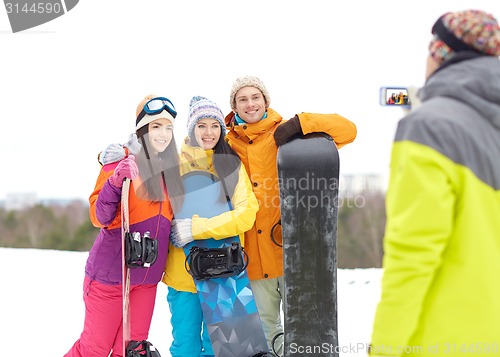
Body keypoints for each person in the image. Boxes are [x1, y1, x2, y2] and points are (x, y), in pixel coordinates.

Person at [370, 9, 500, 356]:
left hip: (442, 339)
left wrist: (384, 348)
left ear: (439, 55)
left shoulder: (428, 127)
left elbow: (412, 256)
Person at [225, 75, 357, 354]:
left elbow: (348, 130)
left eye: (255, 97)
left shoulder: (289, 134)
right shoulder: (228, 144)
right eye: (242, 99)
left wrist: (301, 123)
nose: (250, 104)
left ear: (265, 100)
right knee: (264, 331)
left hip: (292, 257)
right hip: (252, 257)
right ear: (234, 107)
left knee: (304, 332)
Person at [65, 95, 184, 357]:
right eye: (156, 126)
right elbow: (100, 216)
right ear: (142, 128)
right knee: (93, 350)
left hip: (146, 280)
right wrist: (114, 181)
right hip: (111, 276)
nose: (163, 134)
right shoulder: (120, 161)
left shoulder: (172, 170)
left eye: (168, 128)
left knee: (130, 351)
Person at [161, 96, 259, 356]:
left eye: (214, 125)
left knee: (221, 349)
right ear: (191, 128)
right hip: (183, 275)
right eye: (201, 125)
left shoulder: (231, 167)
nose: (209, 132)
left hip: (223, 271)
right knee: (185, 346)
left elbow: (246, 214)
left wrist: (196, 228)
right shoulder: (171, 163)